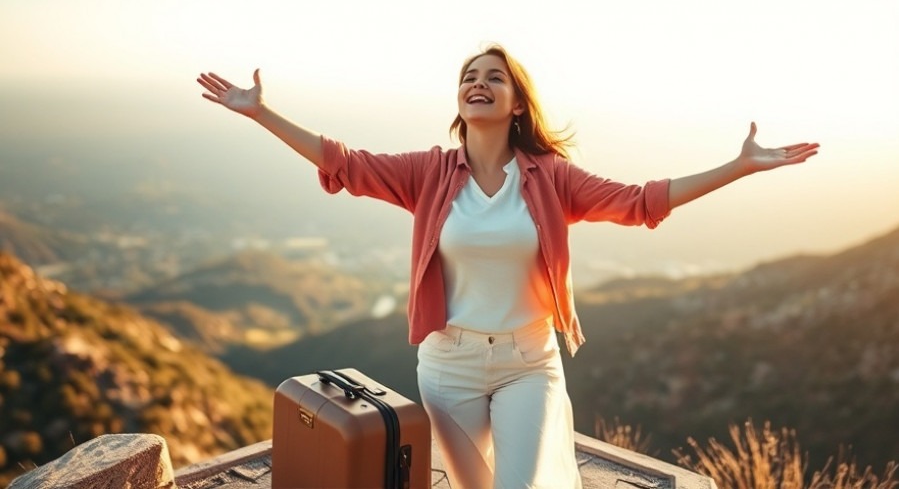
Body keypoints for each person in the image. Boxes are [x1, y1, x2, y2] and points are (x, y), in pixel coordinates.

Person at [196, 44, 818, 488]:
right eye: (469, 74)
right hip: (449, 366)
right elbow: (345, 162)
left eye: (494, 76)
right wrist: (260, 113)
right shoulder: (429, 172)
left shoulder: (552, 179)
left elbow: (640, 202)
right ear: (459, 99)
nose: (478, 81)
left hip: (529, 364)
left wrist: (737, 167)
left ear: (518, 103)